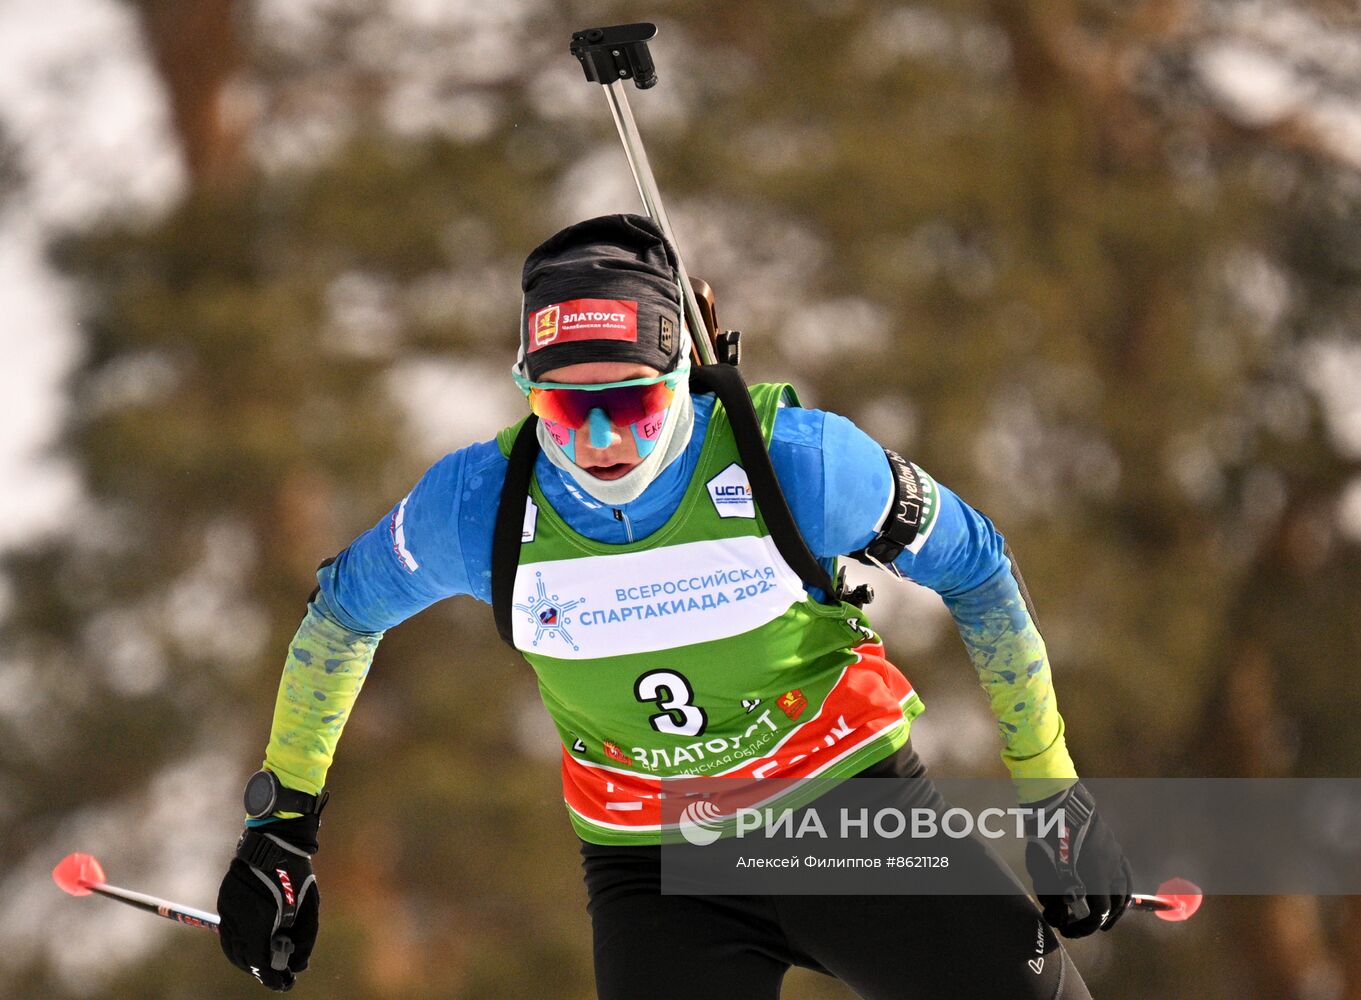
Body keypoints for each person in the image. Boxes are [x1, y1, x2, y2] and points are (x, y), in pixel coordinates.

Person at [216, 214, 1132, 998]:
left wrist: (1051, 793)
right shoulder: (476, 504)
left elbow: (977, 567)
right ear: (525, 392)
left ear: (683, 376)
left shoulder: (798, 461)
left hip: (848, 820)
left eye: (634, 406)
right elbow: (340, 618)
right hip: (655, 868)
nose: (605, 441)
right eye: (568, 412)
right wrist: (280, 829)